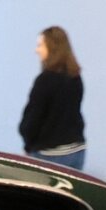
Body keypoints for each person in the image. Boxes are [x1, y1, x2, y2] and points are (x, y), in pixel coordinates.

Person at [19, 25, 86, 170]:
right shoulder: (76, 77)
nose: (36, 50)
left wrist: (28, 145)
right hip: (77, 149)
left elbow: (33, 119)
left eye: (40, 45)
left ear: (52, 47)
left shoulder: (45, 80)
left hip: (50, 153)